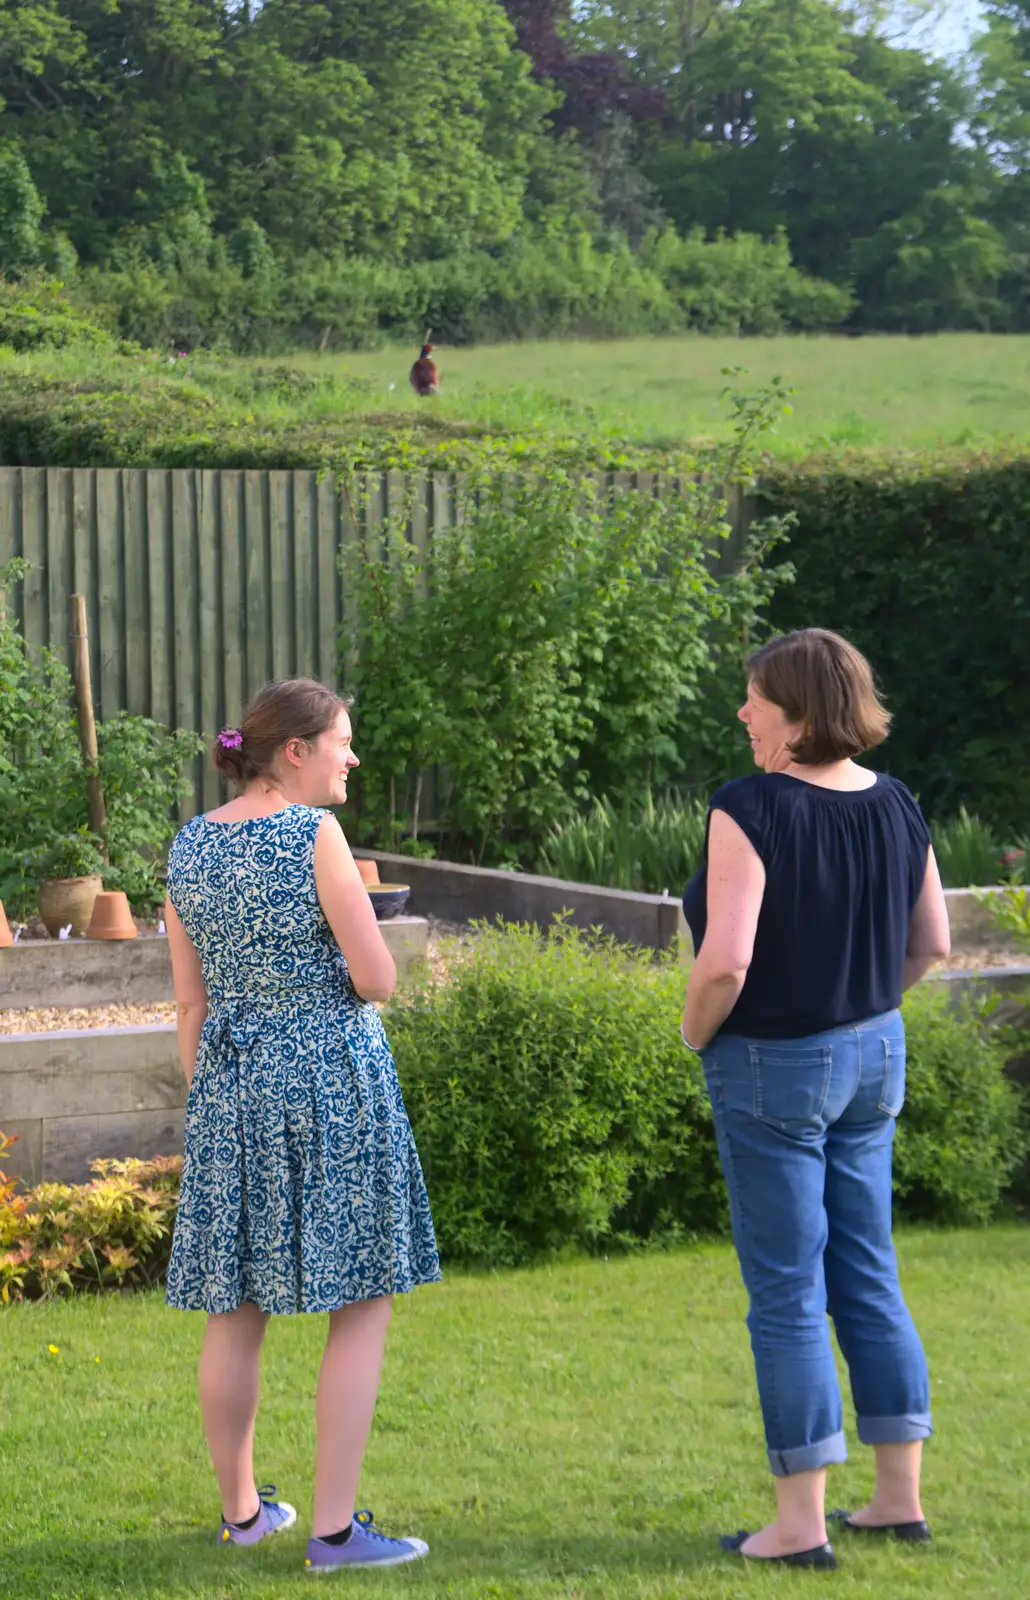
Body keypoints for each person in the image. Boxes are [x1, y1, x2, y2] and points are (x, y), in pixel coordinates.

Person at [680, 628, 950, 1571]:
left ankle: (799, 1525)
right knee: (868, 1268)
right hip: (876, 1051)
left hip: (772, 1063)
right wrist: (862, 1015)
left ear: (796, 711)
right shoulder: (899, 803)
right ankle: (896, 1500)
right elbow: (934, 944)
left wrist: (692, 1032)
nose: (744, 712)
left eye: (755, 697)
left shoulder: (749, 808)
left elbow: (728, 958)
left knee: (788, 1290)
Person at [164, 677, 440, 1574]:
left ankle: (244, 1515)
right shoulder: (314, 833)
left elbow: (189, 1002)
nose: (351, 758)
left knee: (235, 1303)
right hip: (328, 1078)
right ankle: (332, 1534)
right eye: (342, 743)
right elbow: (376, 978)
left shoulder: (189, 845)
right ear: (295, 752)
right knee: (362, 1296)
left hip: (230, 1085)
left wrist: (217, 1096)